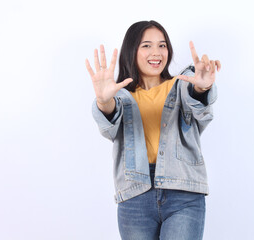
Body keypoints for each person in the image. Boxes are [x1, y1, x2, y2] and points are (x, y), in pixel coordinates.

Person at [85, 20, 221, 240]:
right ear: (132, 50)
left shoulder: (182, 85)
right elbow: (109, 125)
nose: (156, 52)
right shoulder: (120, 96)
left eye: (162, 45)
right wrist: (103, 101)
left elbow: (199, 107)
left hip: (183, 191)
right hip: (135, 194)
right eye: (146, 45)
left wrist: (202, 88)